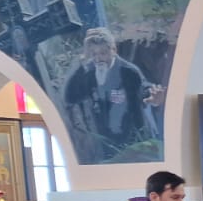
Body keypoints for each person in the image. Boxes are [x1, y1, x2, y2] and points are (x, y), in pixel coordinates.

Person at [61, 28, 163, 163]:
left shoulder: (129, 72)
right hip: (104, 142)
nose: (98, 59)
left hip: (132, 141)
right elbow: (70, 97)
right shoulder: (89, 71)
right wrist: (80, 64)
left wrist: (153, 97)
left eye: (103, 53)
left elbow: (143, 90)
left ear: (113, 50)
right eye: (93, 54)